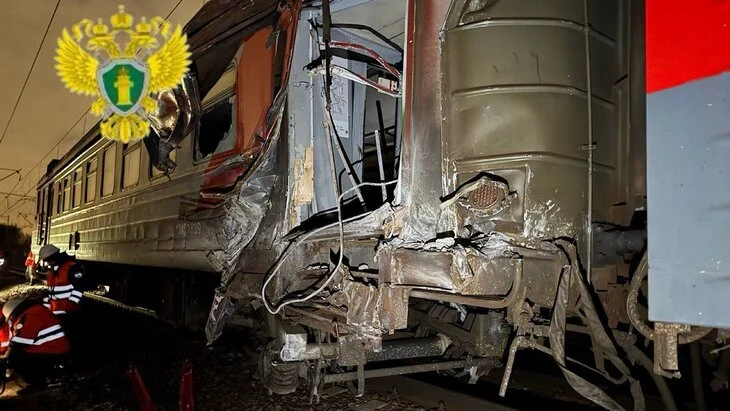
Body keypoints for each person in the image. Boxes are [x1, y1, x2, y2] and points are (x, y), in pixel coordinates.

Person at [2, 298, 70, 393]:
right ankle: (45, 378)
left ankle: (38, 384)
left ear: (15, 312)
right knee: (18, 355)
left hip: (54, 354)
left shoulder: (30, 315)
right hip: (54, 350)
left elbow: (21, 341)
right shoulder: (34, 311)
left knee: (17, 358)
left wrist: (8, 361)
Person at [37, 244, 85, 344]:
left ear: (54, 257)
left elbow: (79, 287)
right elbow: (52, 293)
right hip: (57, 313)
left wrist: (71, 304)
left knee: (70, 339)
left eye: (48, 261)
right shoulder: (53, 271)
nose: (48, 263)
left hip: (70, 313)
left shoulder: (71, 267)